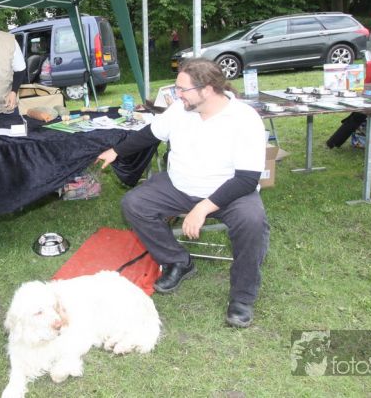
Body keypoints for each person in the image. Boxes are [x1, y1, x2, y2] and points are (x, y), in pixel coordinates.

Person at [96, 58, 270, 328]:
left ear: (207, 89)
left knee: (252, 221)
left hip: (230, 191)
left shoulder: (244, 119)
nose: (177, 94)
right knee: (135, 204)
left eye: (182, 89)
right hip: (179, 185)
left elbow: (247, 179)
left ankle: (242, 297)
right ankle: (178, 261)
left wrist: (202, 208)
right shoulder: (180, 109)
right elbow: (150, 134)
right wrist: (116, 151)